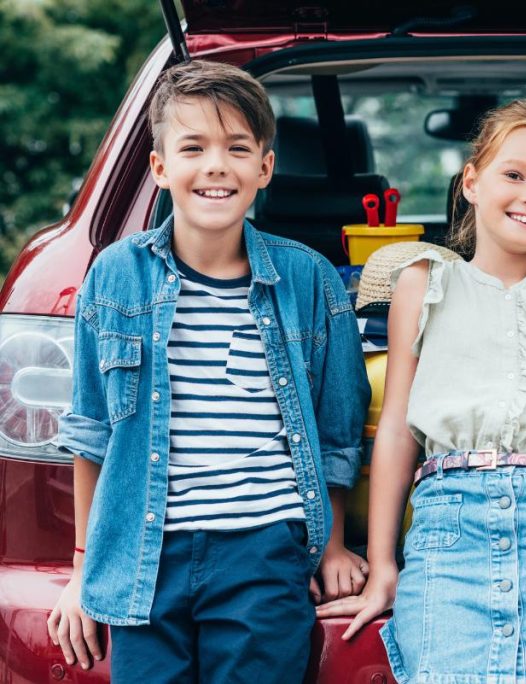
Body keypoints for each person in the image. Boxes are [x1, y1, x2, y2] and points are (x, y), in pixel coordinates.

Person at [317, 99, 526, 683]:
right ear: (471, 183)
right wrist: (383, 566)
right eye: (514, 175)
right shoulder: (423, 281)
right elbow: (399, 428)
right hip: (448, 528)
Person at [46, 60, 370, 683]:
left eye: (238, 148)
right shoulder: (114, 276)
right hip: (146, 556)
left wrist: (329, 546)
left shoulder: (308, 280)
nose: (217, 165)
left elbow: (336, 431)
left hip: (263, 554)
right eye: (193, 147)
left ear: (265, 168)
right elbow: (92, 436)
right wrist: (85, 570)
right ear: (161, 168)